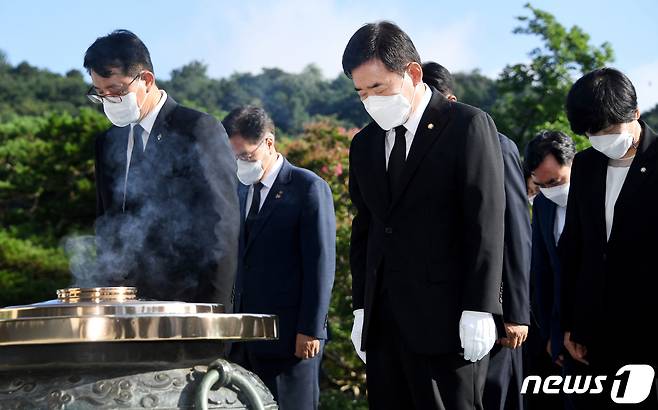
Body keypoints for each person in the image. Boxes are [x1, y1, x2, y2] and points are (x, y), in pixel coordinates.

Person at [344, 22, 506, 410]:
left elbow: (485, 220)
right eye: (361, 92)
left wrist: (481, 305)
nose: (370, 101)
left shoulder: (466, 125)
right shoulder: (365, 144)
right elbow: (365, 229)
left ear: (412, 73)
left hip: (448, 320)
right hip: (385, 324)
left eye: (378, 88)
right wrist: (361, 307)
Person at [86, 30, 239, 307]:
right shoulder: (108, 141)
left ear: (146, 79)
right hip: (123, 307)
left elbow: (222, 227)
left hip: (186, 302)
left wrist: (215, 313)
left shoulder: (196, 129)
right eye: (100, 94)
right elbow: (106, 225)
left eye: (117, 91)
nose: (109, 100)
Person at [423, 61, 531, 410]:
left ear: (450, 99)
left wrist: (515, 312)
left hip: (494, 314)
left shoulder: (497, 145)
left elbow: (515, 229)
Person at [223, 106, 335, 409]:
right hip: (245, 338)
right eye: (234, 158)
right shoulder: (241, 189)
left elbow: (320, 265)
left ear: (268, 143)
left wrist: (311, 329)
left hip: (290, 337)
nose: (240, 164)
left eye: (246, 156)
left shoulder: (307, 187)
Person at [560, 67, 658, 408]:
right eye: (591, 132)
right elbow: (573, 247)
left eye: (608, 129)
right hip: (592, 335)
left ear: (635, 113)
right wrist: (569, 324)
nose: (600, 138)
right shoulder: (586, 165)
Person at [524, 131, 576, 410]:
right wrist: (552, 337)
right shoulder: (543, 204)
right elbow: (542, 274)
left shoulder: (600, 197)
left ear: (573, 163)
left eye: (556, 181)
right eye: (541, 184)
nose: (550, 190)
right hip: (561, 342)